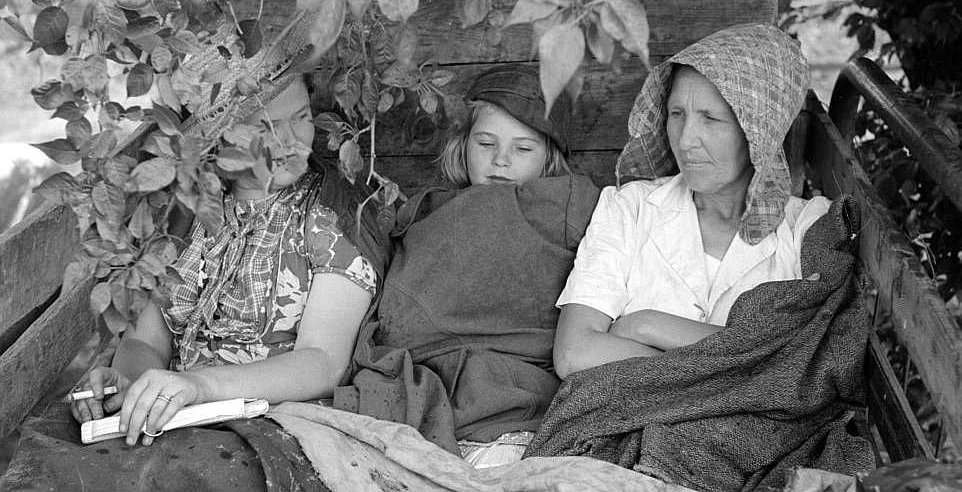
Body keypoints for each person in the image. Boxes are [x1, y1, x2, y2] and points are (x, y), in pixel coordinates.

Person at [525, 23, 874, 490]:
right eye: (676, 114)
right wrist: (732, 368)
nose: (687, 138)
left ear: (759, 126)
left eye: (712, 119)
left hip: (743, 455)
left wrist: (648, 323)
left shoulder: (807, 229)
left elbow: (801, 371)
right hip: (616, 451)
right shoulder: (628, 208)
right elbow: (574, 354)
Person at [70, 75, 380, 447]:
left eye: (302, 117)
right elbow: (147, 342)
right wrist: (127, 384)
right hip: (176, 416)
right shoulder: (186, 215)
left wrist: (199, 385)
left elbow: (324, 361)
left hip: (273, 423)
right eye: (266, 127)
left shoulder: (332, 215)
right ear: (220, 139)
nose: (292, 141)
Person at [332, 65, 601, 468]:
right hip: (424, 388)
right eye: (485, 143)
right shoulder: (423, 213)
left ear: (550, 158)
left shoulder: (568, 205)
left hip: (513, 398)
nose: (501, 160)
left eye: (524, 149)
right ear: (462, 144)